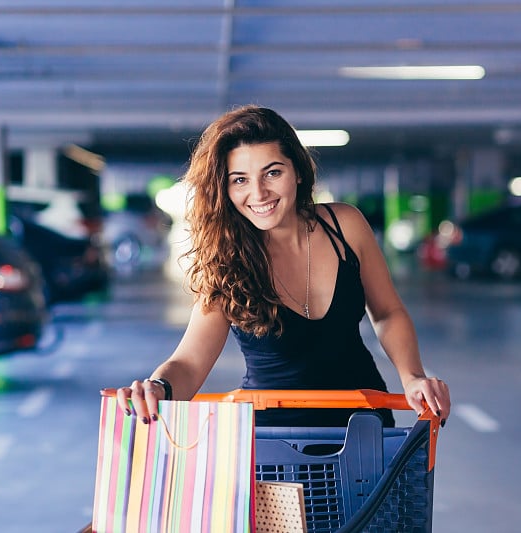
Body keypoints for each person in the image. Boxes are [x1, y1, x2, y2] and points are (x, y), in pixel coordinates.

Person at [115, 105, 450, 428]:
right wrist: (158, 387)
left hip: (364, 428)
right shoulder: (226, 260)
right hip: (275, 445)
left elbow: (388, 312)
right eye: (240, 180)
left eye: (272, 173)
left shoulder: (344, 225)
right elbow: (189, 362)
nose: (259, 193)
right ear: (224, 188)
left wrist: (413, 377)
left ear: (298, 172)